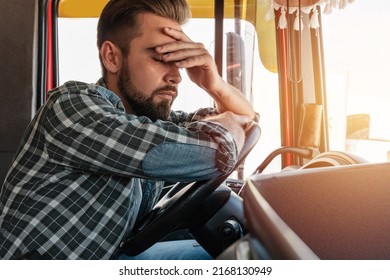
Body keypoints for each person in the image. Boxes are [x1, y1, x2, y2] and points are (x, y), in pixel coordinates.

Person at [0, 0, 257, 260]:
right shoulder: (72, 107)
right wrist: (226, 131)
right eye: (162, 58)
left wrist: (214, 84)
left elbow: (246, 123)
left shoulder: (145, 122)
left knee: (245, 255)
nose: (177, 76)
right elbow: (209, 153)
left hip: (112, 257)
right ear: (112, 57)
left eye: (179, 61)